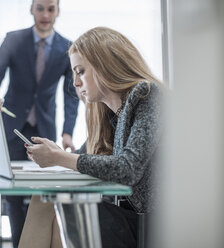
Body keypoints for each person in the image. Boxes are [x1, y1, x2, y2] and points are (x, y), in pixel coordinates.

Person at [19, 27, 165, 248]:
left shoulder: (147, 96)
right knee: (44, 199)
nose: (76, 82)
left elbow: (128, 168)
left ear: (105, 66)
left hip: (151, 225)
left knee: (58, 210)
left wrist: (59, 157)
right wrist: (54, 151)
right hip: (126, 217)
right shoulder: (109, 113)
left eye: (80, 71)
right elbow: (81, 157)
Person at [0, 0, 79, 246]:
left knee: (40, 194)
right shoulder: (13, 39)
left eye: (51, 8)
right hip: (13, 128)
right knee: (13, 196)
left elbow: (71, 95)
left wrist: (68, 132)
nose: (45, 14)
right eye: (40, 8)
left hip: (45, 130)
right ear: (31, 9)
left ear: (58, 11)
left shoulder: (67, 47)